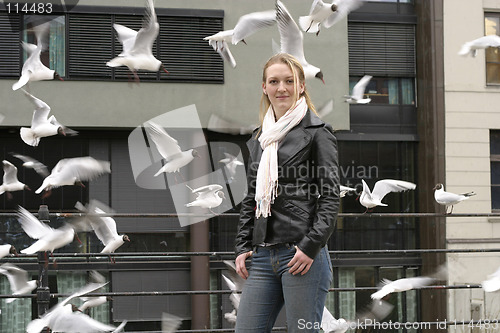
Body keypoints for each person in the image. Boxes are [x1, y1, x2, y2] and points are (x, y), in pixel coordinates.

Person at [234, 53, 340, 333]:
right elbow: (251, 197)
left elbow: (330, 197)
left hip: (301, 255)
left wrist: (310, 247)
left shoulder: (318, 132)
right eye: (274, 81)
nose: (282, 88)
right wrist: (243, 245)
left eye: (289, 81)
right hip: (261, 256)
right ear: (264, 87)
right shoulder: (260, 138)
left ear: (302, 86)